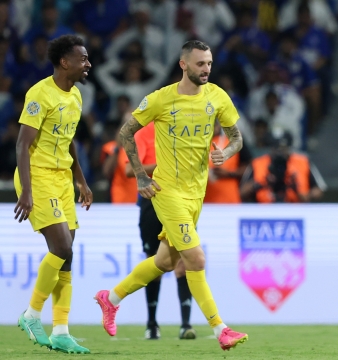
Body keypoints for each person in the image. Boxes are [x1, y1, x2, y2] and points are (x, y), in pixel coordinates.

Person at [94, 40, 248, 351]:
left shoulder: (217, 96)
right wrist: (140, 175)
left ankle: (110, 298)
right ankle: (221, 329)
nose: (206, 69)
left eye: (209, 63)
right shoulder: (160, 99)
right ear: (183, 64)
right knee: (195, 258)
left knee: (164, 261)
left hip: (196, 193)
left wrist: (226, 153)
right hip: (166, 190)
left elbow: (237, 138)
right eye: (200, 64)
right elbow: (125, 132)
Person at [13, 34, 92, 354]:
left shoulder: (75, 97)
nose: (88, 64)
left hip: (62, 178)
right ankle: (32, 314)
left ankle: (60, 329)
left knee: (68, 254)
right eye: (83, 59)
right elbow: (22, 144)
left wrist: (81, 180)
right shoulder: (39, 94)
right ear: (64, 62)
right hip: (38, 177)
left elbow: (69, 139)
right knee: (61, 245)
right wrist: (26, 192)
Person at [123, 121, 196, 340]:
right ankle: (152, 323)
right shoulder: (145, 133)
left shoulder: (186, 131)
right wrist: (166, 167)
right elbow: (129, 170)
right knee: (154, 261)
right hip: (152, 201)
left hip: (181, 201)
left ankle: (186, 324)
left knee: (185, 261)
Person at [240, 130, 325, 203]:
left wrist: (301, 191)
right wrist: (259, 184)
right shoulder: (258, 163)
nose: (279, 152)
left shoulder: (303, 162)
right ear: (271, 148)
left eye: (283, 148)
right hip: (264, 210)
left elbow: (319, 190)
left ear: (289, 147)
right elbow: (241, 192)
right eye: (276, 148)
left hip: (296, 210)